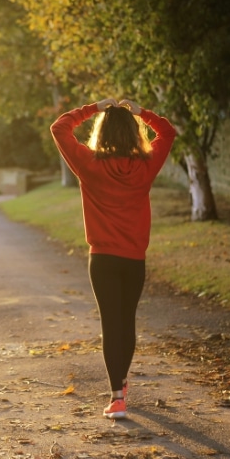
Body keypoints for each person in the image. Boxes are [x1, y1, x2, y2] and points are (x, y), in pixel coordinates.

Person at [50, 98, 176, 418]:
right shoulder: (146, 165)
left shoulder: (89, 164)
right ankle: (120, 382)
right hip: (134, 259)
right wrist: (141, 113)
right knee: (126, 321)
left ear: (101, 133)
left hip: (103, 259)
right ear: (134, 134)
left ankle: (117, 396)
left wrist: (93, 108)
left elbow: (59, 127)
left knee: (111, 323)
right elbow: (168, 132)